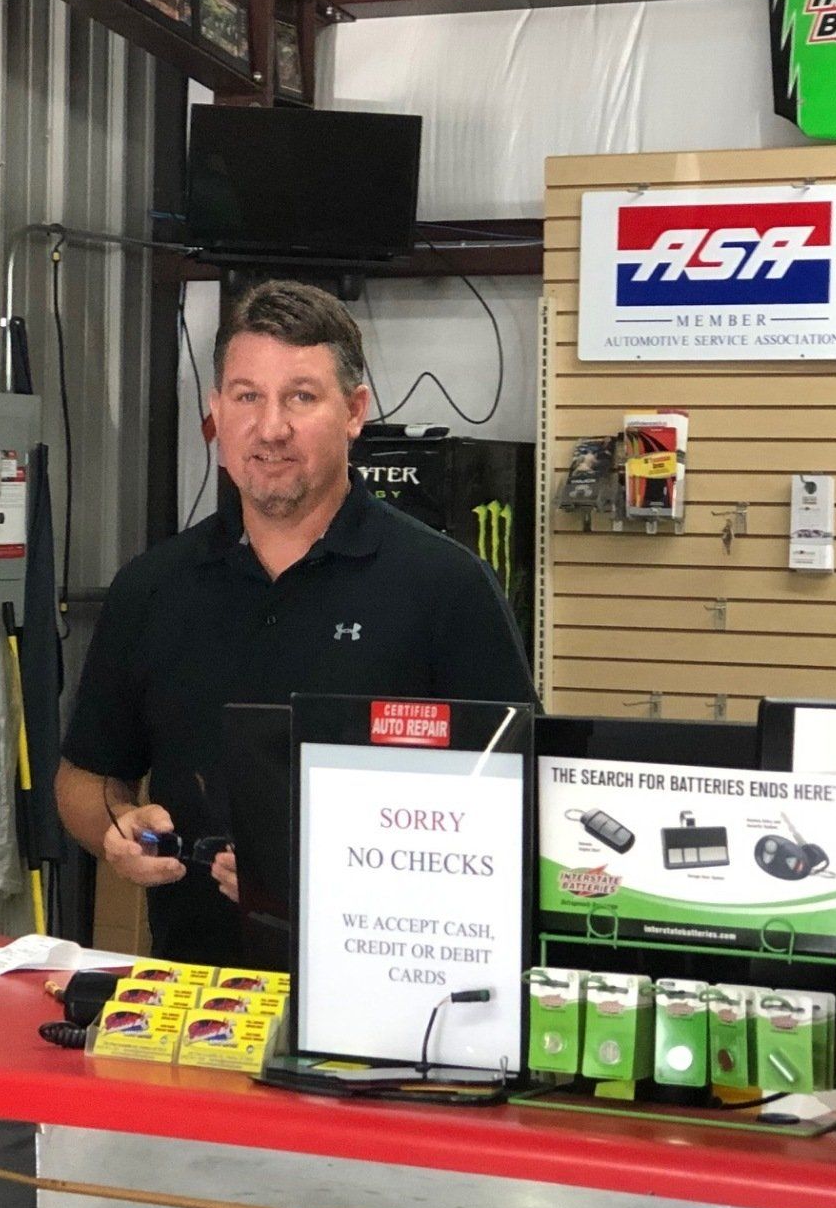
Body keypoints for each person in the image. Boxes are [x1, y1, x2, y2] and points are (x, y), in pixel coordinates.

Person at [57, 279, 534, 966]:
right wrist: (118, 828)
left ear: (355, 411)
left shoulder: (444, 588)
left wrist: (328, 877)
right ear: (216, 411)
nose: (270, 426)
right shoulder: (152, 588)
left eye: (301, 397)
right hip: (199, 1005)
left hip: (391, 1004)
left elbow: (515, 804)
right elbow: (86, 778)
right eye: (247, 396)